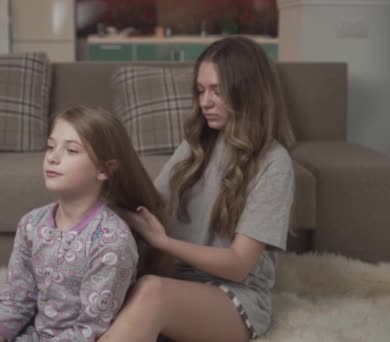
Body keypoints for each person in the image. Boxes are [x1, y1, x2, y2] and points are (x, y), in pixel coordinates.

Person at [99, 36, 296, 342]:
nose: (205, 102)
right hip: (177, 280)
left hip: (235, 297)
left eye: (218, 91)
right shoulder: (196, 146)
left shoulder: (274, 162)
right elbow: (152, 204)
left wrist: (162, 242)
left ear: (248, 92)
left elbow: (238, 266)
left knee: (152, 291)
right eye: (201, 90)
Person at [0, 106, 167, 342]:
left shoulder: (111, 242)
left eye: (72, 150)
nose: (53, 157)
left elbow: (90, 331)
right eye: (51, 146)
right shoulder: (31, 223)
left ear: (104, 170)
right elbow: (16, 300)